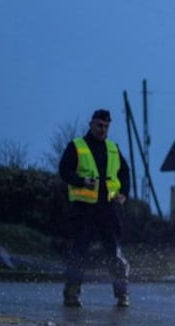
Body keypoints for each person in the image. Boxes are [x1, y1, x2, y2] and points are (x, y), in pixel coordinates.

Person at [58, 109, 131, 308]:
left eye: (106, 126)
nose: (102, 129)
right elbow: (64, 171)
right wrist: (81, 181)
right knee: (79, 251)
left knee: (114, 253)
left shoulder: (113, 148)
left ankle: (122, 295)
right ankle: (71, 294)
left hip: (108, 208)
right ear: (91, 124)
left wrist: (124, 192)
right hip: (84, 208)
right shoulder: (77, 146)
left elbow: (125, 172)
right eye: (99, 125)